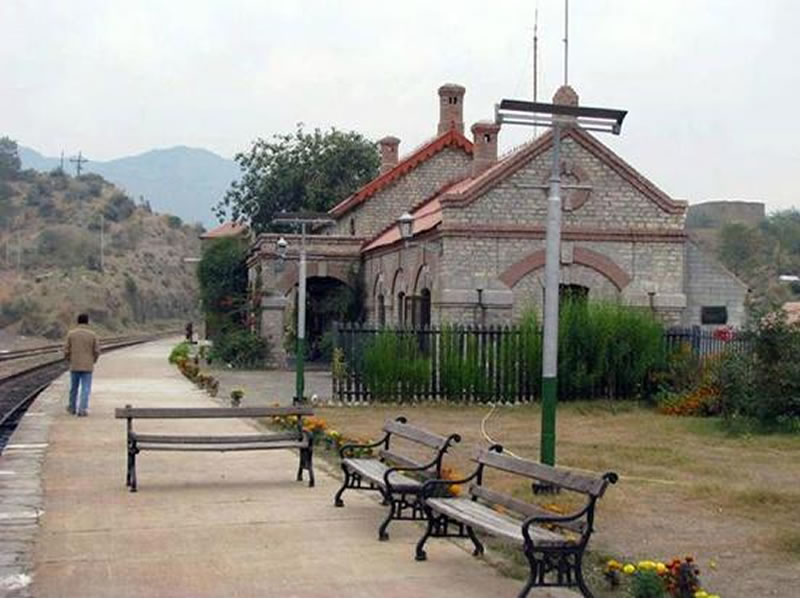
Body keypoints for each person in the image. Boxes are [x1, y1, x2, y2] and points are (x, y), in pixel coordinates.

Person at [64, 313, 100, 416]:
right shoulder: (92, 335)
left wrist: (69, 360)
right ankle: (82, 409)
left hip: (74, 364)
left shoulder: (71, 334)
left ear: (78, 321)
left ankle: (72, 408)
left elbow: (66, 350)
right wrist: (93, 360)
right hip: (88, 366)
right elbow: (97, 351)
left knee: (73, 388)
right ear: (87, 322)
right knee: (85, 388)